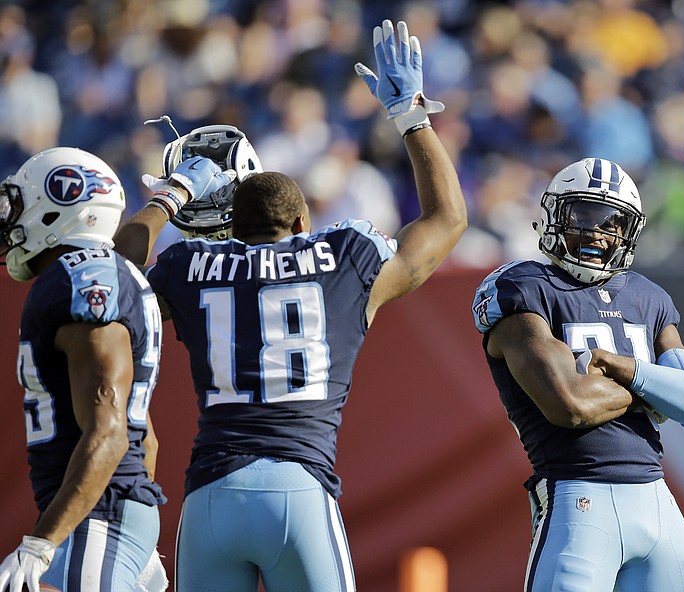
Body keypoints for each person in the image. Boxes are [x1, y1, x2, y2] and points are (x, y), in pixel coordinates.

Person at [113, 19, 467, 592]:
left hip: (211, 494)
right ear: (303, 223)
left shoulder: (187, 268)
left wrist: (169, 196)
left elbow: (115, 280)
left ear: (229, 223)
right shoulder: (344, 258)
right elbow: (448, 220)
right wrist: (412, 117)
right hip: (299, 490)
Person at [471, 157, 684, 591]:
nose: (598, 232)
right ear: (554, 214)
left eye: (613, 223)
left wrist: (619, 367)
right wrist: (654, 387)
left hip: (658, 503)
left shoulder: (649, 297)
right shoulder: (524, 288)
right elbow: (572, 405)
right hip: (578, 501)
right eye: (584, 215)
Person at [0, 146, 227, 592]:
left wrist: (40, 543)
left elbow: (109, 433)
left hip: (98, 514)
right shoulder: (95, 274)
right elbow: (146, 440)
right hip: (107, 508)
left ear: (57, 205)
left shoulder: (78, 283)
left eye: (19, 203)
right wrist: (172, 196)